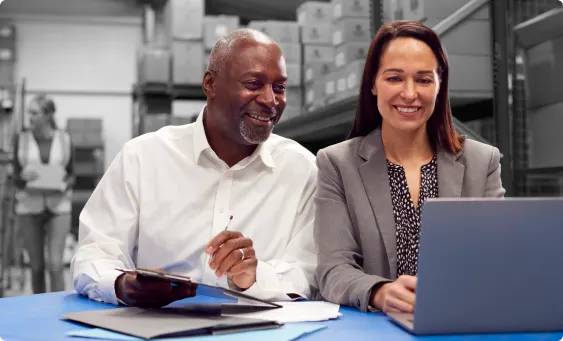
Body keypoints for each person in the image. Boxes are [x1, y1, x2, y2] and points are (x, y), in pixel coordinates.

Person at [71, 29, 318, 308]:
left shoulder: (303, 170)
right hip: (154, 328)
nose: (270, 100)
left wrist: (254, 276)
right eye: (253, 84)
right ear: (210, 84)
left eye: (279, 88)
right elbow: (94, 252)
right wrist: (122, 285)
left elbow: (309, 272)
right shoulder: (142, 157)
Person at [314, 21, 505, 313]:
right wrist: (379, 292)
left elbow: (498, 259)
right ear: (373, 84)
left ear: (440, 86)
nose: (409, 93)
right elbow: (333, 270)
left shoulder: (482, 162)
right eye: (394, 78)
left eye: (424, 80)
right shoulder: (337, 164)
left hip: (459, 322)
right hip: (378, 329)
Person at [13, 94, 75, 294]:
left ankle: (58, 310)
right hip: (29, 207)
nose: (29, 117)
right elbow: (15, 176)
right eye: (29, 113)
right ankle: (39, 310)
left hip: (59, 207)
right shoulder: (21, 139)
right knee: (36, 266)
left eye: (34, 113)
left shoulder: (64, 139)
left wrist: (64, 185)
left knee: (56, 264)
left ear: (48, 115)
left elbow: (72, 174)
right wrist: (22, 177)